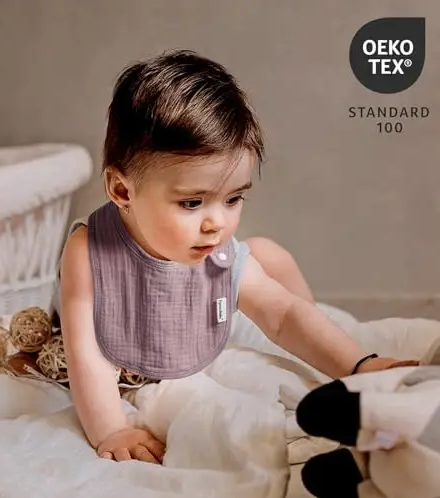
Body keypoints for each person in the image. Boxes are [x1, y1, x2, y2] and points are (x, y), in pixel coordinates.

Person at [57, 50, 417, 466]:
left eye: (233, 199)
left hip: (195, 321)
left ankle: (328, 330)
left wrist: (358, 365)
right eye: (192, 203)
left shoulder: (217, 251)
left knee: (267, 259)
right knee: (260, 260)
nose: (217, 223)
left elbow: (282, 315)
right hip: (129, 353)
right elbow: (88, 353)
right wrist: (112, 429)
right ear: (122, 191)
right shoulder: (89, 251)